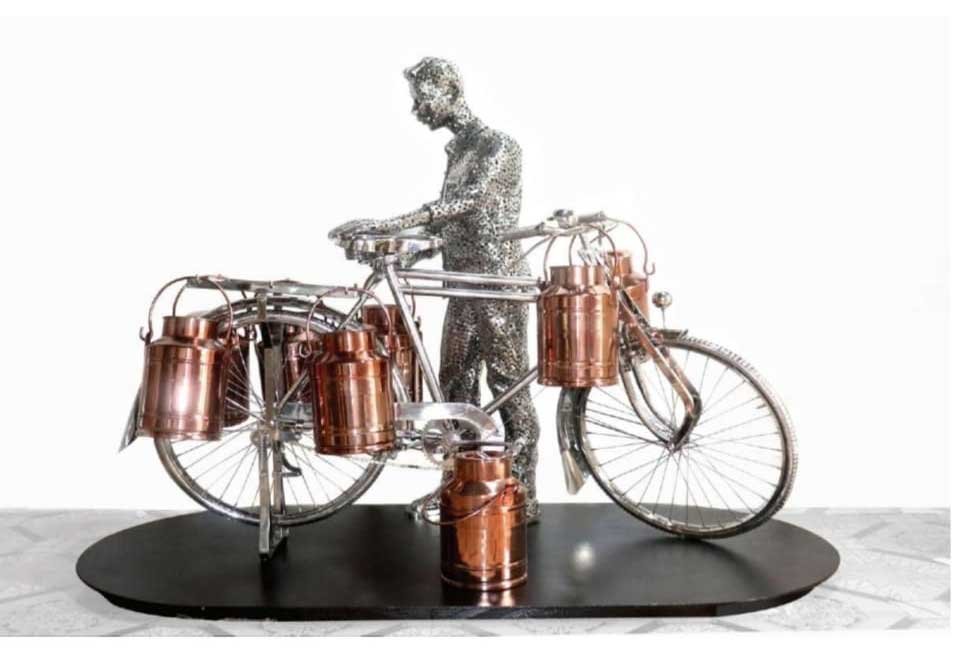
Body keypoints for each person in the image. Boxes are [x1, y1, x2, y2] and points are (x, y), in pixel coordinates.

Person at [329, 57, 541, 519]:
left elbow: (468, 203)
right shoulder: (458, 149)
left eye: (423, 98)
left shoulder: (497, 145)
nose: (417, 109)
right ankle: (461, 490)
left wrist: (392, 223)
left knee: (508, 385)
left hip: (496, 282)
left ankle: (521, 497)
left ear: (451, 92)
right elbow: (452, 225)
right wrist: (405, 248)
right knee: (456, 388)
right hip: (463, 283)